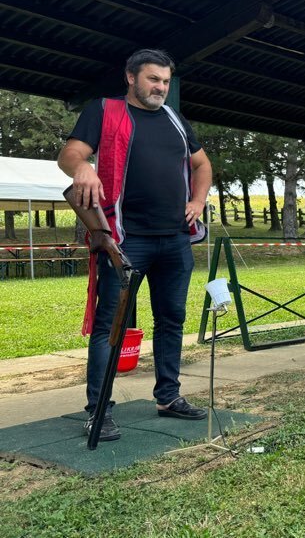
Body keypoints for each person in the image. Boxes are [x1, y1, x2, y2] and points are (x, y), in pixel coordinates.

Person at [58, 49, 212, 442]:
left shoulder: (175, 119)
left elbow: (202, 164)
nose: (160, 87)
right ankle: (99, 411)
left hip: (175, 240)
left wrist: (197, 201)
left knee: (172, 319)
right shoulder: (105, 110)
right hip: (125, 239)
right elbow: (71, 153)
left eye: (165, 80)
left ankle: (168, 397)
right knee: (111, 324)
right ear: (131, 77)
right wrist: (82, 168)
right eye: (153, 79)